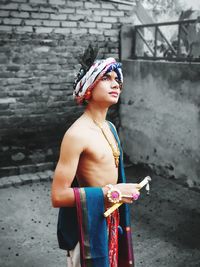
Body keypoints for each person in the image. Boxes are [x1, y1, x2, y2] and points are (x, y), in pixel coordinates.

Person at [51, 46, 141, 267]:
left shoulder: (110, 127)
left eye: (117, 79)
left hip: (110, 220)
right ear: (89, 87)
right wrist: (114, 191)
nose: (116, 84)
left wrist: (119, 192)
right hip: (88, 230)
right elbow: (58, 196)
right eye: (107, 78)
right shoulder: (76, 134)